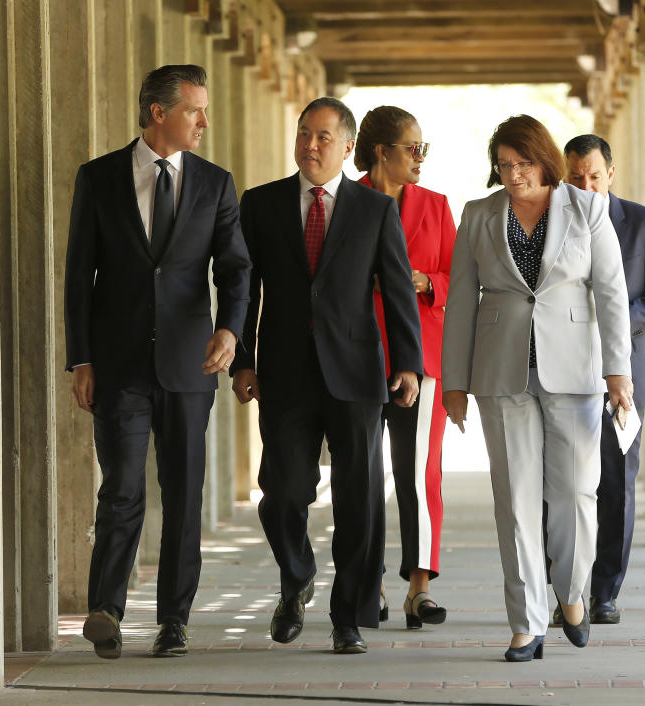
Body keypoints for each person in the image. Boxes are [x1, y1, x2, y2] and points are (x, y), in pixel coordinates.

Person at [64, 64, 252, 659]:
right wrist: (82, 358)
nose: (203, 121)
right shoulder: (98, 178)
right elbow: (78, 277)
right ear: (158, 113)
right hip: (118, 365)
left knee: (183, 493)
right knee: (120, 488)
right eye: (194, 109)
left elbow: (236, 267)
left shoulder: (215, 183)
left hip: (190, 365)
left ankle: (174, 620)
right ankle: (107, 610)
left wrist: (229, 328)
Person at [231, 97, 423, 655]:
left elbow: (394, 291)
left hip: (358, 372)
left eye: (322, 138)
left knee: (358, 499)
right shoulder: (262, 204)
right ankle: (296, 577)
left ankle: (348, 617)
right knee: (282, 492)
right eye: (303, 135)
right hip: (285, 372)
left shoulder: (374, 208)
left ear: (346, 146)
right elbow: (246, 288)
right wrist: (243, 358)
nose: (310, 146)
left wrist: (407, 363)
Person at [442, 115, 632, 662]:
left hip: (575, 371)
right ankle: (526, 622)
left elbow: (612, 291)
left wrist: (618, 371)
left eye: (522, 163)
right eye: (503, 165)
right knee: (515, 500)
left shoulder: (588, 208)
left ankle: (572, 592)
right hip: (501, 373)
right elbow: (460, 302)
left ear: (544, 161)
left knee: (575, 493)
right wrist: (454, 381)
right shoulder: (479, 215)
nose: (513, 174)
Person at [552, 133, 645, 625]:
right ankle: (565, 580)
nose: (584, 185)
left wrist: (616, 319)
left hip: (624, 372)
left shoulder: (643, 223)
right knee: (559, 479)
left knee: (616, 486)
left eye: (593, 176)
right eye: (575, 177)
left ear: (611, 173)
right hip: (561, 367)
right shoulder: (551, 217)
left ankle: (604, 591)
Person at [354, 106, 456, 629]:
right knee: (363, 476)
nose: (419, 157)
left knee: (418, 474)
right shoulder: (346, 202)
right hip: (357, 356)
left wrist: (426, 282)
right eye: (411, 148)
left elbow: (460, 278)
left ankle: (420, 587)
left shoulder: (436, 207)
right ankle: (367, 584)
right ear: (381, 152)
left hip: (423, 355)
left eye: (423, 148)